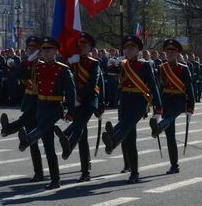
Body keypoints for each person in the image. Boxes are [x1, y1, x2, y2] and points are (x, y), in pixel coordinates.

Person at [101, 35, 163, 184]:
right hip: (125, 103)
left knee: (126, 125)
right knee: (129, 139)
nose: (129, 50)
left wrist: (158, 107)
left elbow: (153, 86)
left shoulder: (145, 65)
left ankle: (112, 141)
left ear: (138, 50)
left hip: (139, 103)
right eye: (127, 48)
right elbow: (108, 69)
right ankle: (133, 172)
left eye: (132, 48)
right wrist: (112, 60)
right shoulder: (122, 64)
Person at [17, 37, 75, 190]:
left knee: (42, 126)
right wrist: (29, 59)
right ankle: (55, 179)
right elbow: (20, 74)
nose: (46, 53)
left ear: (56, 52)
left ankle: (28, 139)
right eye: (43, 50)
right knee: (48, 146)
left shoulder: (63, 68)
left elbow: (71, 91)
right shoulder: (37, 67)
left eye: (49, 50)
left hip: (55, 106)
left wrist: (70, 111)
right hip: (41, 106)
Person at [54, 31, 104, 182]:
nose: (81, 47)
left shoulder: (94, 63)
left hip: (89, 100)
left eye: (85, 45)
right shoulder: (72, 62)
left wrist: (100, 103)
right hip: (76, 101)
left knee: (79, 123)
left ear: (90, 48)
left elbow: (94, 83)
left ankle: (68, 144)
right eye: (80, 44)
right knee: (83, 137)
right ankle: (85, 171)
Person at [0, 36, 45, 182]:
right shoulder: (27, 65)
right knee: (32, 141)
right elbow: (16, 76)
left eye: (33, 49)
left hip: (43, 103)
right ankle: (38, 172)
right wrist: (26, 62)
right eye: (28, 49)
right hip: (30, 101)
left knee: (47, 143)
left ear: (39, 51)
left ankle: (10, 128)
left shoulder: (44, 64)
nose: (29, 51)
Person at [150, 39, 195, 175]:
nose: (169, 53)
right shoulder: (161, 68)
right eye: (168, 51)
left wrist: (190, 106)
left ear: (177, 53)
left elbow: (190, 89)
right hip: (166, 100)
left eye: (172, 51)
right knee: (170, 136)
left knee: (170, 116)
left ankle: (159, 126)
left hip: (179, 100)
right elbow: (157, 85)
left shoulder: (183, 68)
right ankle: (174, 165)